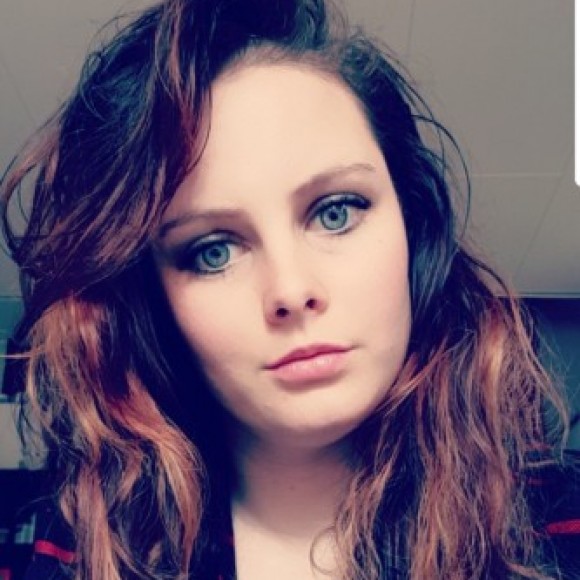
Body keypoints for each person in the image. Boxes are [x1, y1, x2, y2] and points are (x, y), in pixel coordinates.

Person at [1, 0, 579, 578]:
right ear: (157, 304)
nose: (291, 289)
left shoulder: (554, 529)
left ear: (413, 224)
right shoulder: (84, 551)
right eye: (214, 251)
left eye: (335, 212)